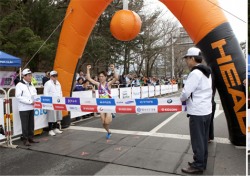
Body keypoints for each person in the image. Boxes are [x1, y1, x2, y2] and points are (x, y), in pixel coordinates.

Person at [180, 47, 212, 174]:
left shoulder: (195, 73)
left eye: (187, 59)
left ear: (192, 58)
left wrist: (182, 98)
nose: (186, 62)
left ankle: (198, 165)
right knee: (203, 139)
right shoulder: (206, 72)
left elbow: (186, 93)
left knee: (197, 140)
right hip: (206, 110)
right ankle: (201, 162)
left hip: (197, 112)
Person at [86, 64, 119, 139]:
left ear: (105, 77)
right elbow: (89, 78)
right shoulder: (98, 84)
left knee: (107, 122)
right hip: (101, 105)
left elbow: (116, 77)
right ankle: (108, 132)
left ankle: (112, 113)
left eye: (102, 76)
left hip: (109, 104)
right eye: (99, 76)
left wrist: (113, 69)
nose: (100, 78)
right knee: (103, 122)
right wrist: (88, 69)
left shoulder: (108, 84)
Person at [15, 68, 39, 146]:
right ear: (24, 76)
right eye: (28, 75)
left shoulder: (31, 84)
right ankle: (25, 140)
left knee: (31, 124)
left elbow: (34, 94)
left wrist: (36, 100)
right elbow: (18, 97)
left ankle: (30, 138)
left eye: (30, 75)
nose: (30, 77)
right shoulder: (19, 85)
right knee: (25, 125)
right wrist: (30, 101)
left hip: (31, 107)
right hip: (23, 108)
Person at [43, 70, 63, 136]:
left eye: (56, 76)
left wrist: (61, 99)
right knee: (51, 116)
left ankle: (55, 128)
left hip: (58, 102)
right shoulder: (48, 83)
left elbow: (60, 91)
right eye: (54, 76)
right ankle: (50, 129)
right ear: (51, 76)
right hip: (51, 102)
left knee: (57, 115)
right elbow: (45, 93)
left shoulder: (58, 83)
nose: (55, 77)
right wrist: (48, 101)